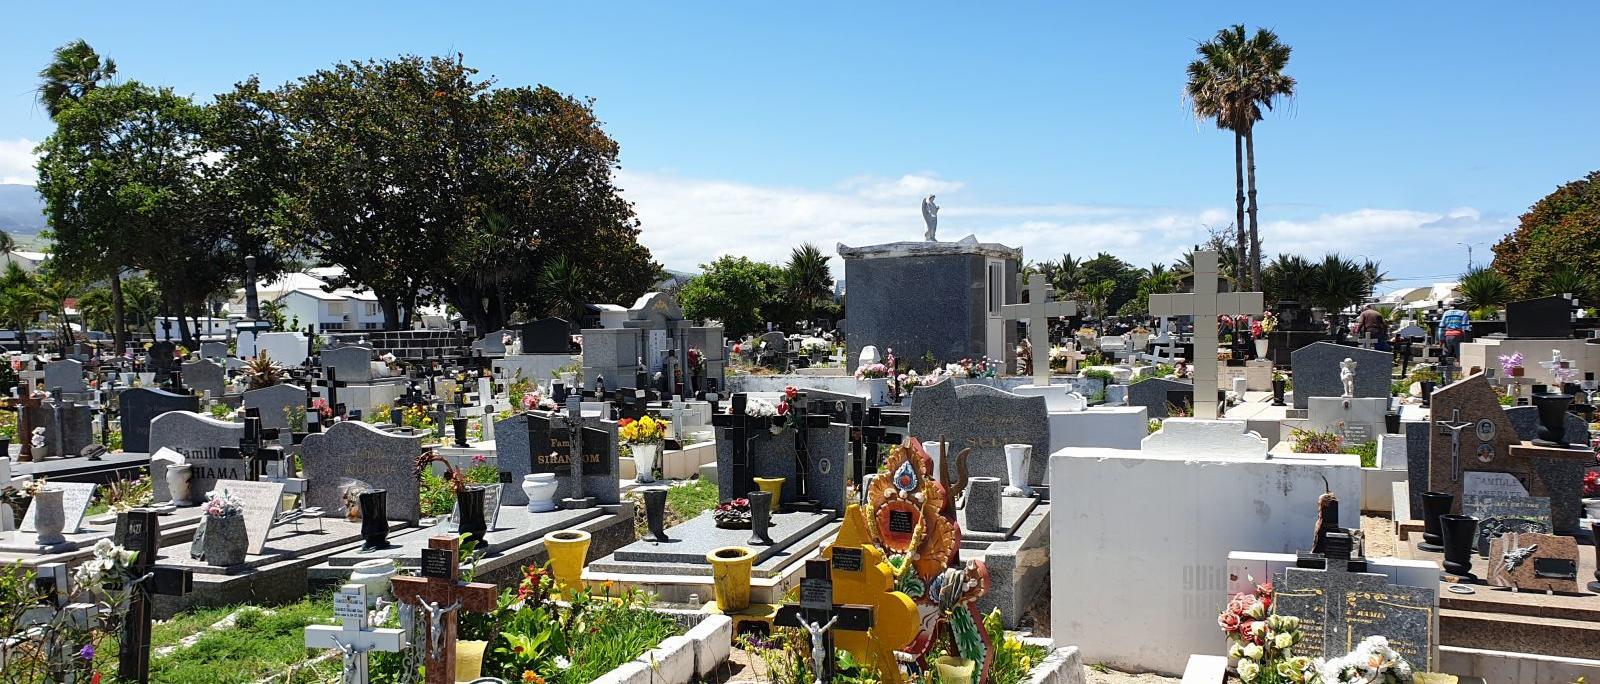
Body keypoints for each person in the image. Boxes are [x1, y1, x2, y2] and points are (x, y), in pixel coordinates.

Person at [1437, 301, 1472, 365]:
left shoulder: (1446, 313)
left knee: (1447, 355)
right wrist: (1466, 340)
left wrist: (1441, 339)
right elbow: (1465, 327)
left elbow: (1441, 327)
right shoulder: (1463, 313)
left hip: (1447, 336)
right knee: (1460, 355)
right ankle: (1461, 372)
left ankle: (1447, 373)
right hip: (1458, 336)